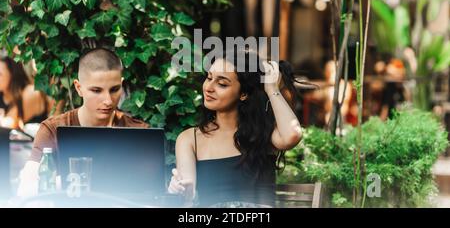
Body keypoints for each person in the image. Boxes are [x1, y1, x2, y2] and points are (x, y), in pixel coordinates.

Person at [168, 50, 302, 207]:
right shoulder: (190, 139)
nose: (209, 88)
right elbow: (187, 197)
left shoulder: (261, 132)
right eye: (209, 78)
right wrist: (181, 192)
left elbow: (292, 134)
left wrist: (272, 88)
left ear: (243, 93)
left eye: (222, 84)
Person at [17, 48, 148, 197]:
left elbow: (153, 193)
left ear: (122, 84)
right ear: (79, 88)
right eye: (97, 90)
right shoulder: (53, 130)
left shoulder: (139, 131)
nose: (108, 100)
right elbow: (25, 190)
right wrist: (73, 181)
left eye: (114, 89)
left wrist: (175, 187)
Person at [0, 57, 54, 130]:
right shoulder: (2, 95)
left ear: (13, 75)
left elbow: (9, 124)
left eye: (0, 74)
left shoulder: (31, 92)